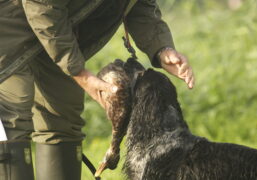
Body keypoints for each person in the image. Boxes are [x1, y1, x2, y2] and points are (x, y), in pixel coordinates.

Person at [0, 0, 194, 179]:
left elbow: (137, 4)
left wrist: (161, 48)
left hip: (60, 37)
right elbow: (40, 4)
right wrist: (78, 71)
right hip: (7, 33)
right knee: (11, 125)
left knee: (63, 126)